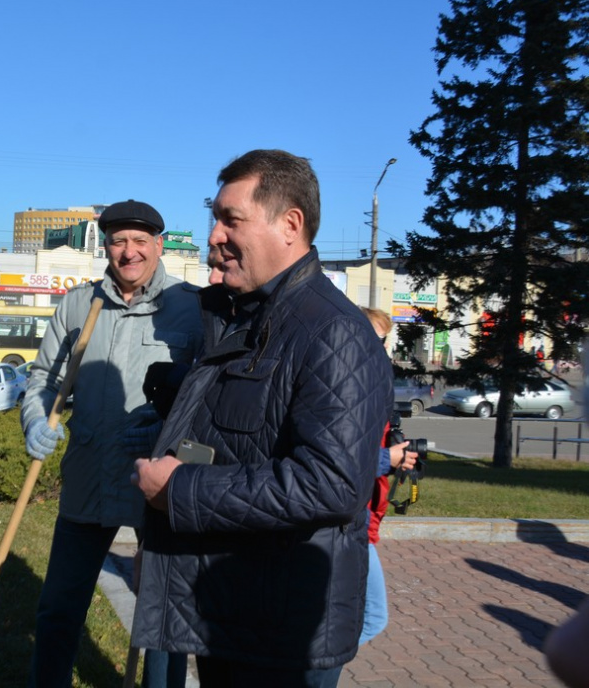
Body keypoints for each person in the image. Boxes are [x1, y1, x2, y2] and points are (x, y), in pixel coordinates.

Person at [132, 150, 391, 687]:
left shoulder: (333, 332)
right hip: (232, 611)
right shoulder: (242, 318)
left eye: (231, 220)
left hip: (280, 636)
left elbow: (332, 484)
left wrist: (181, 491)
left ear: (290, 224)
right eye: (215, 219)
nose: (213, 236)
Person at [20, 199, 202, 688]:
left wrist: (171, 434)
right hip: (88, 478)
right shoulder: (79, 304)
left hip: (158, 485)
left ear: (159, 245)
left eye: (140, 241)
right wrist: (36, 419)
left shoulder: (191, 307)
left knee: (164, 622)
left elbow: (209, 402)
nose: (129, 252)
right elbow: (43, 378)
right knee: (58, 608)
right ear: (106, 245)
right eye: (119, 241)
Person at [357, 306, 417, 646]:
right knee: (373, 618)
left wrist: (396, 459)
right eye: (378, 340)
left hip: (363, 519)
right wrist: (386, 458)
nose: (384, 349)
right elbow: (340, 458)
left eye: (386, 341)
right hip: (352, 522)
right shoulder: (355, 387)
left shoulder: (373, 384)